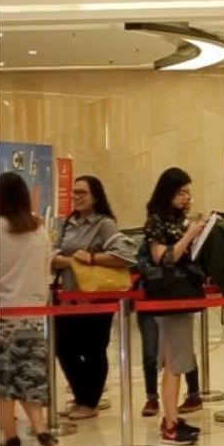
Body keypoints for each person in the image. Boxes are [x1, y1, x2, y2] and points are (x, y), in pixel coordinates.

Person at [51, 175, 136, 420]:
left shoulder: (104, 224)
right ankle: (81, 396)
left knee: (93, 350)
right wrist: (72, 261)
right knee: (64, 349)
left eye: (82, 193)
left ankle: (90, 402)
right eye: (74, 192)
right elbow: (53, 256)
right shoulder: (67, 223)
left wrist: (91, 258)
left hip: (96, 298)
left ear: (95, 196)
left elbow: (125, 255)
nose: (76, 197)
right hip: (68, 298)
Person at [144, 167, 207, 445]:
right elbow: (164, 257)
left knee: (175, 361)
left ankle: (171, 417)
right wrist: (189, 235)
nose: (186, 198)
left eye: (188, 193)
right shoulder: (156, 222)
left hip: (181, 296)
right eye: (181, 193)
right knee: (175, 362)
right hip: (169, 297)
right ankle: (170, 423)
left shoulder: (176, 221)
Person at [0, 172, 58, 446]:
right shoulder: (39, 231)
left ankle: (10, 436)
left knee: (2, 380)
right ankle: (41, 429)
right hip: (32, 316)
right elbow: (46, 271)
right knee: (29, 374)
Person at [137, 313, 202, 417]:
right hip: (149, 309)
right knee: (150, 352)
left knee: (182, 348)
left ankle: (193, 394)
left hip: (174, 309)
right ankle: (152, 398)